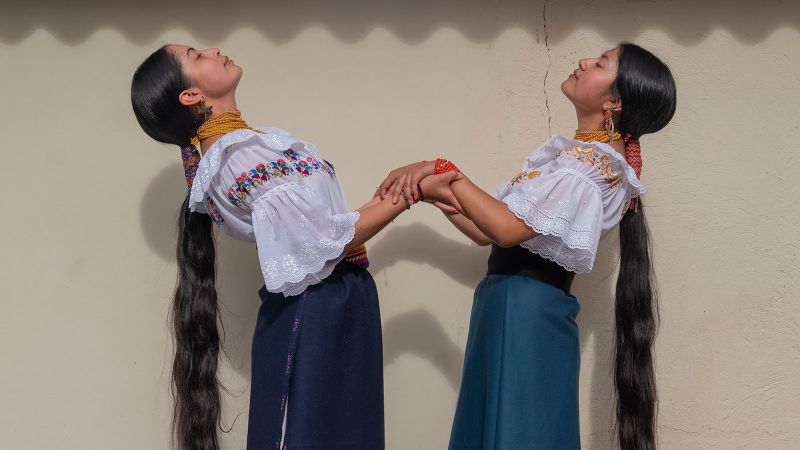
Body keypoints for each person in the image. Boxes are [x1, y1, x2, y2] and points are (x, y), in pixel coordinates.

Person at [130, 44, 431, 450]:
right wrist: (415, 190)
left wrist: (404, 185)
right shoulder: (234, 160)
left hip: (339, 301)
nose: (213, 49)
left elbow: (326, 230)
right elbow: (322, 242)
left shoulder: (254, 145)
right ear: (191, 95)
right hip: (315, 309)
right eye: (196, 56)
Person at [378, 42, 676, 450]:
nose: (584, 61)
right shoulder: (581, 160)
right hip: (510, 303)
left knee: (519, 432)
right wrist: (434, 191)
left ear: (614, 100)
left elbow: (504, 229)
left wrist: (444, 169)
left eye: (601, 62)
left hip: (525, 309)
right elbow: (487, 230)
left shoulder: (594, 166)